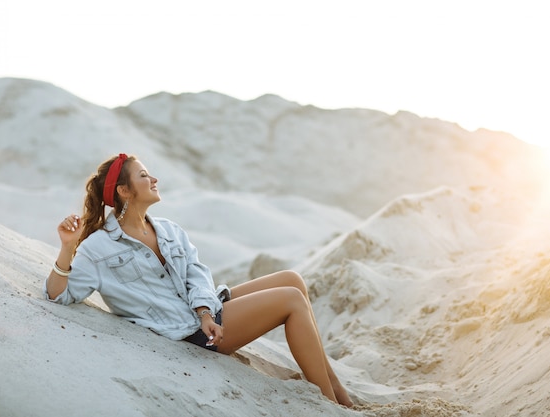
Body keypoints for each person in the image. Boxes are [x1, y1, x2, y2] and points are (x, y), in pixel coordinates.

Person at [44, 153, 353, 407]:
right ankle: (328, 403)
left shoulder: (168, 229)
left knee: (292, 279)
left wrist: (205, 310)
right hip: (187, 332)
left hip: (203, 315)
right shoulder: (99, 247)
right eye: (143, 175)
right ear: (124, 191)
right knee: (291, 300)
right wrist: (68, 247)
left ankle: (338, 391)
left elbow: (197, 272)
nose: (154, 179)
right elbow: (60, 294)